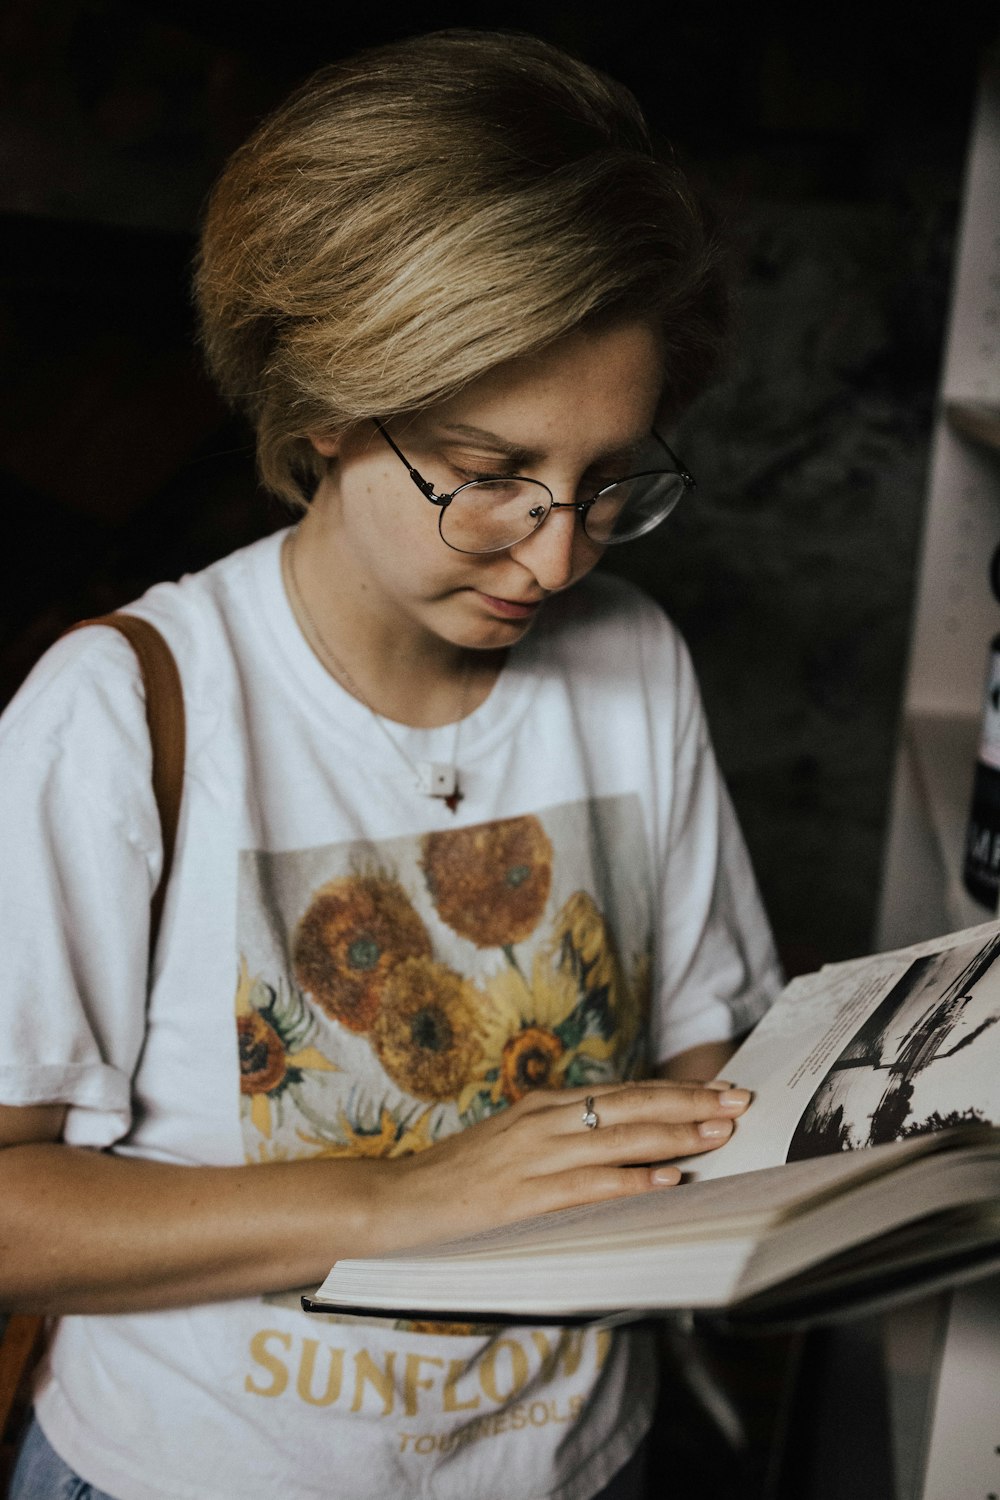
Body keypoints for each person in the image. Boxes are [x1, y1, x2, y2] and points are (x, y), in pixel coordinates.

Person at [0, 28, 781, 1500]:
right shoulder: (125, 710)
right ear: (326, 409)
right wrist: (411, 1197)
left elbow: (703, 1050)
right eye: (491, 476)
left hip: (571, 1468)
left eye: (608, 479)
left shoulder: (632, 661)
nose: (556, 554)